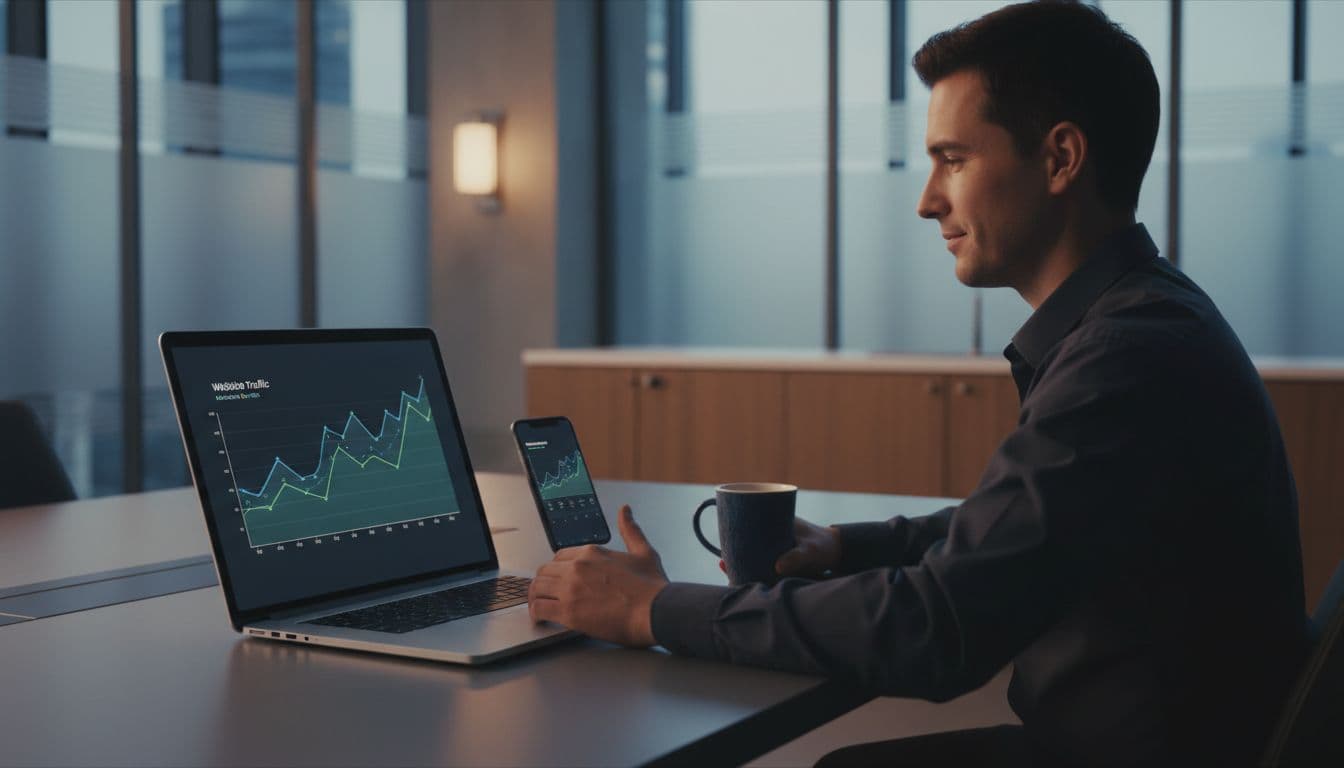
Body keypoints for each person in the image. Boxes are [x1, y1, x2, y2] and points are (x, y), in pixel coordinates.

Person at [527, 2, 1308, 765]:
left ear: (1061, 158)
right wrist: (843, 547)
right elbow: (1017, 531)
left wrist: (652, 608)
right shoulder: (1140, 321)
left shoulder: (1126, 356)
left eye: (954, 159)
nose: (927, 199)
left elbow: (936, 629)